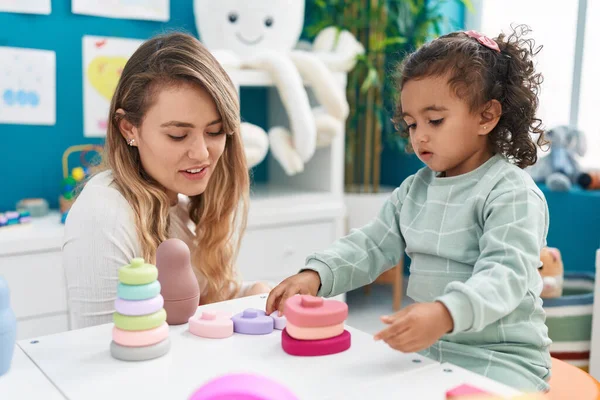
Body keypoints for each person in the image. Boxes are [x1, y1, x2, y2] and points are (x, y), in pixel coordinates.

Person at [266, 25, 552, 392]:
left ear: (486, 116)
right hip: (430, 349)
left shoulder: (510, 192)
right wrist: (317, 274)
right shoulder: (415, 190)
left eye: (435, 121)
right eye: (412, 124)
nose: (420, 136)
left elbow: (505, 275)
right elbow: (370, 245)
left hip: (503, 358)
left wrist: (444, 313)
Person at [63, 32, 270, 330]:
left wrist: (252, 292)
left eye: (215, 131)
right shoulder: (104, 216)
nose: (202, 153)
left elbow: (204, 298)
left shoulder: (178, 201)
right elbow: (101, 349)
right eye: (178, 135)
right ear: (128, 128)